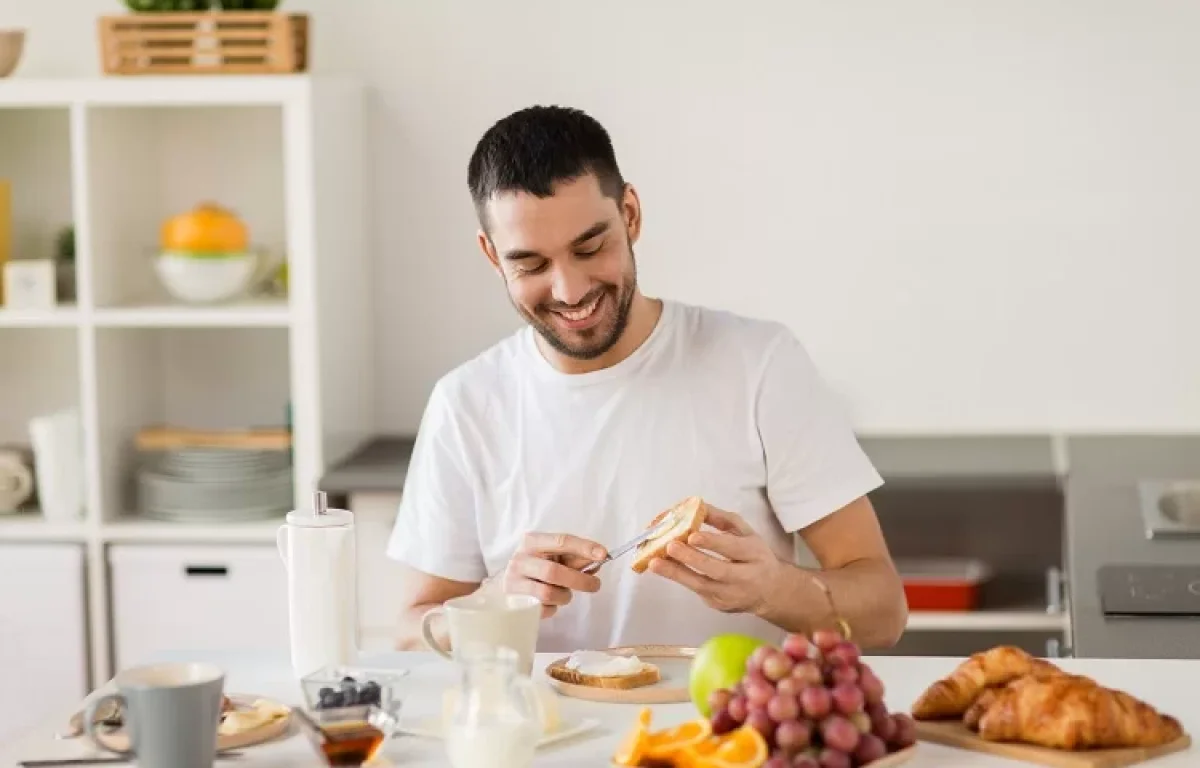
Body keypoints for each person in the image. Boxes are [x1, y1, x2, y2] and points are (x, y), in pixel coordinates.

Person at [387, 105, 907, 653]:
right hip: (549, 735)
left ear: (630, 214)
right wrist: (493, 605)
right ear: (492, 254)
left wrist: (775, 589)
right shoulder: (466, 403)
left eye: (590, 248)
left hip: (729, 733)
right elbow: (405, 633)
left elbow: (884, 613)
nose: (569, 290)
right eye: (531, 266)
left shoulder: (759, 364)